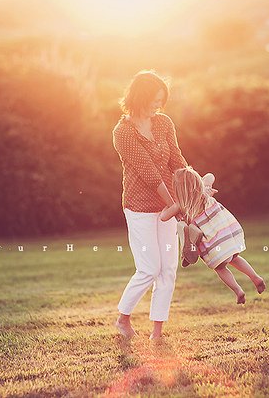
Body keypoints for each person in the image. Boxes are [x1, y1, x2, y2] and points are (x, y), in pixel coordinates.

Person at [112, 70, 187, 340]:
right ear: (141, 98)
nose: (159, 105)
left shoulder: (164, 123)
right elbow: (148, 172)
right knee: (149, 268)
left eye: (161, 100)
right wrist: (175, 204)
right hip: (140, 208)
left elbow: (177, 160)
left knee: (168, 269)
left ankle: (157, 332)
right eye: (155, 100)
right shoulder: (123, 132)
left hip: (168, 207)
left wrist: (193, 187)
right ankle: (123, 318)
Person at [160, 166, 267, 304]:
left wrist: (167, 206)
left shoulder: (180, 205)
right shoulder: (204, 192)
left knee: (220, 267)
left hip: (211, 242)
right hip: (224, 233)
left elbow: (163, 217)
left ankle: (238, 290)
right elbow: (210, 175)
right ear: (197, 181)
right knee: (235, 258)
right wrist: (203, 184)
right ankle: (255, 277)